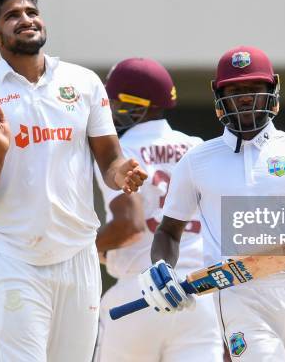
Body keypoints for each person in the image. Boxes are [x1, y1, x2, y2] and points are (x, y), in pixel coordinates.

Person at [0, 0, 146, 362]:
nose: (26, 19)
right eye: (12, 16)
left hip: (79, 257)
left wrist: (122, 173)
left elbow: (109, 159)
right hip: (16, 258)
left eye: (30, 12)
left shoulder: (84, 82)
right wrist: (0, 151)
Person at [137, 46, 285, 361]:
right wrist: (162, 269)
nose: (244, 98)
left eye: (254, 89)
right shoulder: (197, 161)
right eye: (235, 90)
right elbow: (169, 231)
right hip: (239, 292)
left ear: (273, 91)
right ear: (218, 97)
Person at [92, 58, 224, 362]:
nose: (109, 109)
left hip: (139, 293)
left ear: (135, 105)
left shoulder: (119, 153)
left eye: (113, 102)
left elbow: (130, 225)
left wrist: (85, 248)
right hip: (200, 293)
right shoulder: (197, 146)